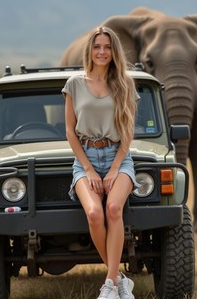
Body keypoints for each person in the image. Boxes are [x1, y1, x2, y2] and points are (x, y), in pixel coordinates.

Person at [62, 26, 140, 299]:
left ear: (114, 51)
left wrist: (116, 167)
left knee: (114, 208)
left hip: (119, 157)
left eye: (107, 47)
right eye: (97, 47)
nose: (102, 52)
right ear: (90, 50)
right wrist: (88, 168)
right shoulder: (74, 83)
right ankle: (120, 280)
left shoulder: (125, 84)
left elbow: (128, 132)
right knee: (95, 214)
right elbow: (70, 132)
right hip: (85, 159)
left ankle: (109, 286)